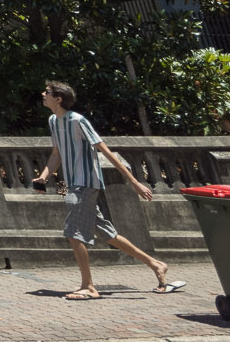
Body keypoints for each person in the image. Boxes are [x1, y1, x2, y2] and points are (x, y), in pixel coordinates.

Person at [32, 80, 183, 299]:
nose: (42, 94)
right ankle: (156, 264)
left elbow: (106, 151)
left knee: (74, 233)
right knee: (106, 233)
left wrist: (134, 182)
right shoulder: (54, 121)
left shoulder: (78, 120)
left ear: (58, 99)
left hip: (86, 182)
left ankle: (89, 287)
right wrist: (44, 176)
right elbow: (57, 153)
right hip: (74, 182)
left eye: (47, 92)